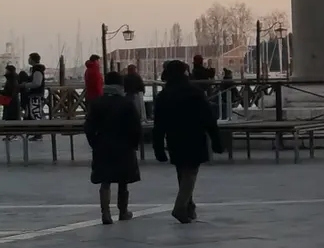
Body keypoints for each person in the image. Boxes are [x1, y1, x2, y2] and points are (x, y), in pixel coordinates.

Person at [151, 58, 223, 222]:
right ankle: (180, 207)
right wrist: (216, 140)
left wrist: (158, 148)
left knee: (181, 171)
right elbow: (208, 118)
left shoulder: (163, 96)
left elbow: (158, 125)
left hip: (174, 137)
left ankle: (189, 206)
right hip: (194, 136)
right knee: (190, 172)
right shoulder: (195, 93)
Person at [84, 70, 142, 225]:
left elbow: (89, 126)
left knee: (105, 180)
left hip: (103, 145)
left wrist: (94, 143)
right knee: (123, 180)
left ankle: (105, 213)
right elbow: (135, 127)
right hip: (124, 146)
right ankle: (123, 211)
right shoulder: (126, 103)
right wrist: (134, 144)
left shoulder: (97, 103)